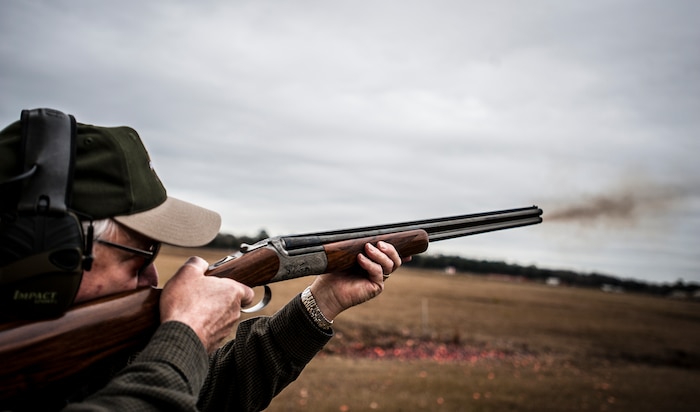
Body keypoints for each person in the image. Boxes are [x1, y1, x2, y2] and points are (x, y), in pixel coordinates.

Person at [0, 113, 408, 411]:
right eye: (140, 256)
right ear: (49, 254)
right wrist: (187, 334)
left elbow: (198, 396)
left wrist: (322, 303)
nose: (154, 277)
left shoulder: (66, 358)